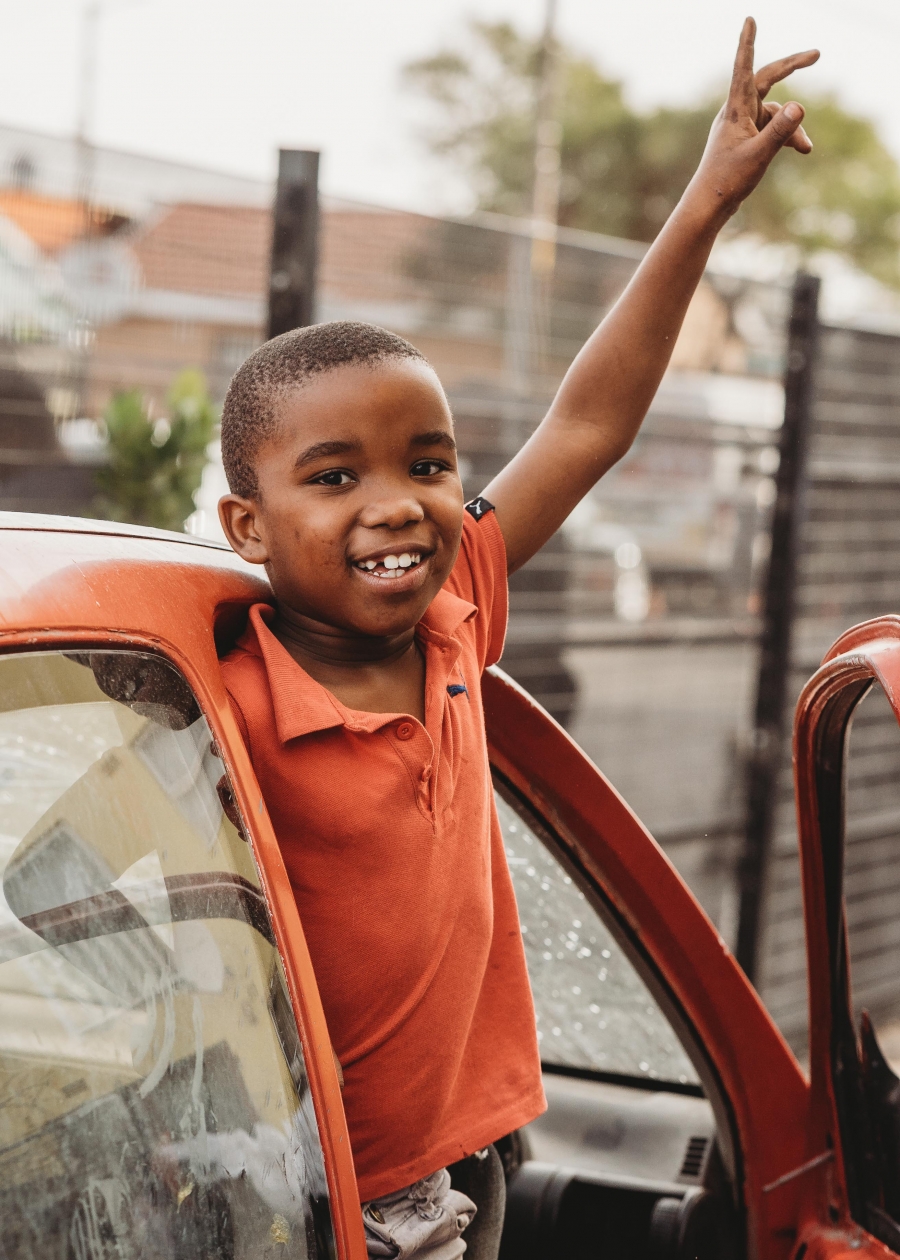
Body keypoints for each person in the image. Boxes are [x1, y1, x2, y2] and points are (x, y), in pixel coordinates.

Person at [217, 20, 817, 1260]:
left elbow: (587, 421)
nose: (398, 503)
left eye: (429, 464)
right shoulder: (226, 703)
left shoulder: (455, 612)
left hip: (477, 1158)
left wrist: (706, 200)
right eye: (334, 478)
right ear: (247, 524)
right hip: (332, 1200)